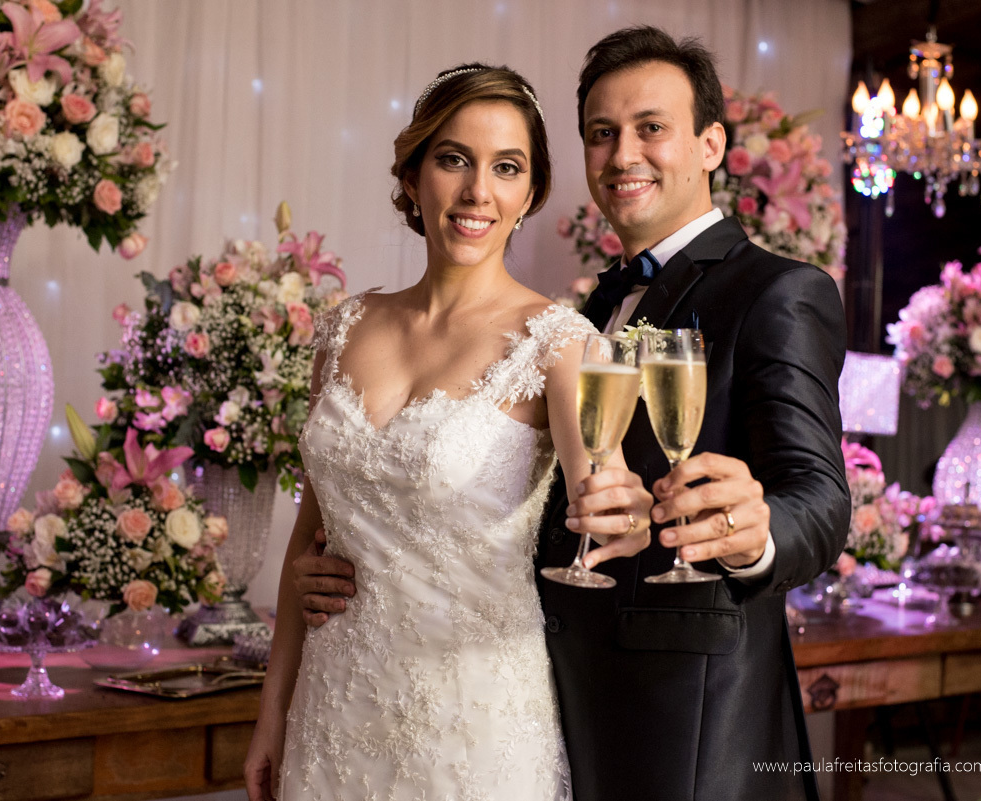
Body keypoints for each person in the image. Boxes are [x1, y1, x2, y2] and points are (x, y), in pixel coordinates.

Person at [294, 27, 850, 801]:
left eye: (651, 128)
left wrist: (755, 534)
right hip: (538, 690)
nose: (623, 154)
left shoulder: (777, 292)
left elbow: (819, 497)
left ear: (711, 144)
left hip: (687, 718)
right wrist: (342, 556)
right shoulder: (582, 310)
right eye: (602, 134)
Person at [242, 63, 653, 801]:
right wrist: (272, 713)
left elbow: (610, 496)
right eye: (453, 158)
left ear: (529, 193)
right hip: (332, 713)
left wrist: (631, 516)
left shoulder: (561, 342)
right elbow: (311, 540)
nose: (476, 192)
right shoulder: (343, 327)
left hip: (474, 728)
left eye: (506, 168)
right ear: (412, 173)